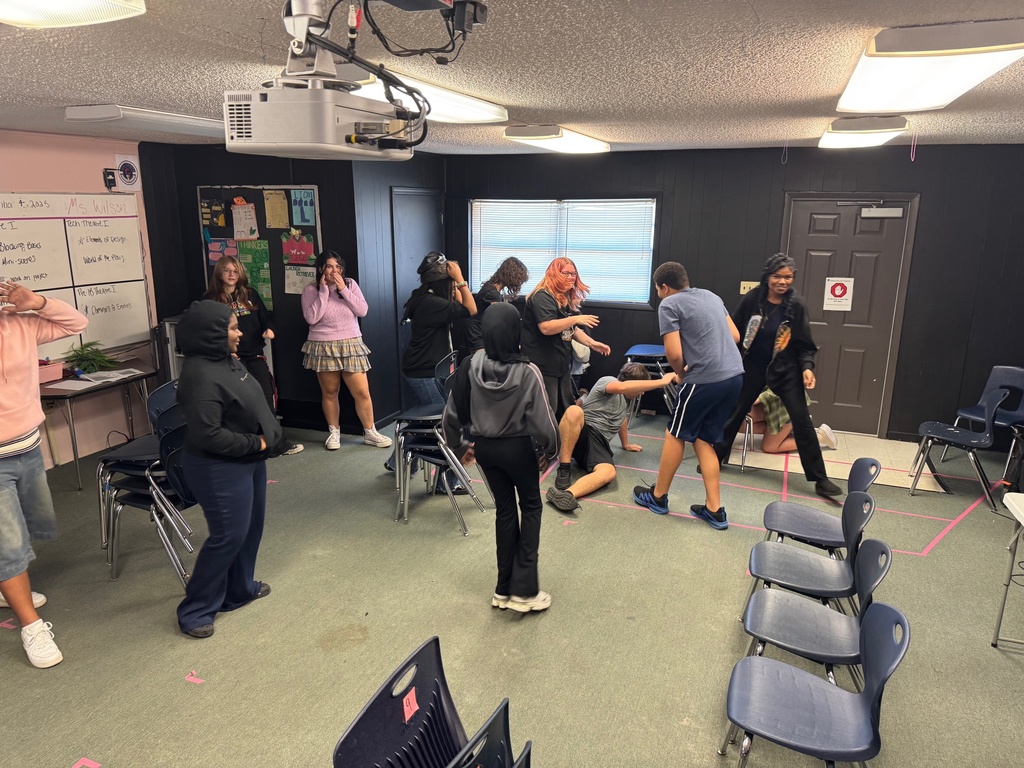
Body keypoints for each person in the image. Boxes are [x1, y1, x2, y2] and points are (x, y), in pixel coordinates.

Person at [175, 301, 285, 639]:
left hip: (247, 459)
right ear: (212, 335)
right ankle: (195, 611)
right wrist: (259, 443)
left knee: (251, 528)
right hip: (217, 465)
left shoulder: (226, 360)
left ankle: (239, 589)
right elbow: (208, 435)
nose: (240, 334)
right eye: (233, 328)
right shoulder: (199, 376)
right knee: (229, 536)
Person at [444, 303, 559, 613]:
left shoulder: (470, 364)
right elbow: (545, 422)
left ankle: (503, 590)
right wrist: (550, 451)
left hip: (485, 450)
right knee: (531, 507)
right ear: (515, 332)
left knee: (505, 511)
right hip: (518, 449)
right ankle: (525, 591)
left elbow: (450, 417)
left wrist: (460, 446)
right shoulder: (528, 371)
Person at [0, 280, 87, 668]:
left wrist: (36, 302)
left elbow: (76, 323)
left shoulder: (18, 321)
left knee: (28, 524)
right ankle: (31, 626)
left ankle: (7, 585)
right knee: (8, 542)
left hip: (28, 446)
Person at [714, 253, 842, 497]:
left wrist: (807, 368)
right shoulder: (753, 299)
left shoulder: (797, 305)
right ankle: (717, 457)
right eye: (777, 276)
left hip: (787, 370)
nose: (783, 281)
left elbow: (805, 344)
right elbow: (734, 331)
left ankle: (820, 479)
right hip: (753, 365)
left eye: (788, 277)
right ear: (767, 276)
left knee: (802, 421)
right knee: (734, 411)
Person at [632, 262, 744, 530]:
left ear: (664, 287)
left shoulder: (669, 304)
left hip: (704, 379)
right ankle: (715, 510)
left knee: (675, 433)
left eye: (657, 290)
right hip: (734, 377)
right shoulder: (711, 296)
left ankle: (658, 496)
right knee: (703, 440)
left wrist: (681, 374)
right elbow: (735, 336)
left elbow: (673, 353)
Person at [387, 251, 477, 489]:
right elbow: (470, 309)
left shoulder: (429, 298)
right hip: (424, 372)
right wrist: (460, 279)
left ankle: (398, 462)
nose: (454, 287)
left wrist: (456, 283)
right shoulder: (432, 304)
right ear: (442, 282)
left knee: (431, 423)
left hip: (428, 369)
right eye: (451, 283)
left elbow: (461, 304)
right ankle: (446, 483)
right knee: (448, 423)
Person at [204, 255, 303, 456]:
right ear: (219, 273)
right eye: (227, 271)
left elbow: (265, 318)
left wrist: (269, 329)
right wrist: (224, 352)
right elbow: (208, 331)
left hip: (254, 355)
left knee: (265, 399)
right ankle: (247, 444)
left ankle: (277, 444)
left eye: (235, 271)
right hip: (230, 360)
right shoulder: (210, 300)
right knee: (239, 403)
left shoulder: (250, 294)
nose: (231, 275)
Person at [546, 363, 677, 513]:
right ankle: (564, 468)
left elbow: (622, 420)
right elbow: (622, 387)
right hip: (582, 432)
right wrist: (662, 382)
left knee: (609, 472)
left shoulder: (624, 403)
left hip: (599, 444)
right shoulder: (607, 381)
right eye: (640, 388)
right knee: (574, 411)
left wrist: (625, 444)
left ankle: (567, 495)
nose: (642, 393)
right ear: (631, 383)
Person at [302, 250, 391, 451]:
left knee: (362, 392)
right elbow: (311, 318)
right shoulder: (311, 290)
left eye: (338, 267)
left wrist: (343, 289)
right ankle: (334, 432)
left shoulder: (350, 284)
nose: (334, 271)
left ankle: (370, 432)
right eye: (329, 266)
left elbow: (362, 311)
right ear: (321, 269)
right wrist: (324, 292)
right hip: (323, 344)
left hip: (351, 342)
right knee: (330, 391)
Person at [520, 257, 611, 420]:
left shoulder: (560, 297)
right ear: (554, 273)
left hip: (559, 365)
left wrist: (592, 344)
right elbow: (546, 327)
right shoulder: (542, 296)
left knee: (565, 408)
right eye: (566, 273)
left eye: (573, 274)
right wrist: (575, 319)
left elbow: (569, 329)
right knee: (547, 411)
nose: (571, 277)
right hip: (542, 365)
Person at [460, 256, 529, 355]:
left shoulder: (491, 287)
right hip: (476, 332)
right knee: (480, 362)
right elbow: (498, 321)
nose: (519, 283)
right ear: (511, 275)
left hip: (478, 329)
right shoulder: (492, 293)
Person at [747, 389, 839, 455]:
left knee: (769, 447)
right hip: (770, 404)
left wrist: (759, 398)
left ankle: (819, 437)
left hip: (785, 407)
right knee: (742, 424)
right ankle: (792, 429)